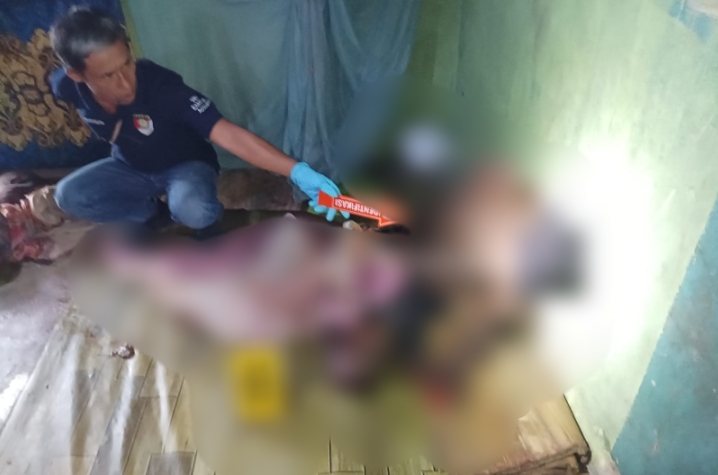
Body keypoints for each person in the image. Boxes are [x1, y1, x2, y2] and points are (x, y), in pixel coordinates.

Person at [49, 6, 347, 237]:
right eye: (107, 76)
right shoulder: (66, 85)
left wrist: (297, 171)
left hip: (185, 166)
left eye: (127, 63)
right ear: (77, 75)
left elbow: (227, 133)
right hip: (130, 166)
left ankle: (207, 223)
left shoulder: (161, 86)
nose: (126, 83)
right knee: (69, 196)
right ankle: (150, 214)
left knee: (192, 209)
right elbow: (61, 84)